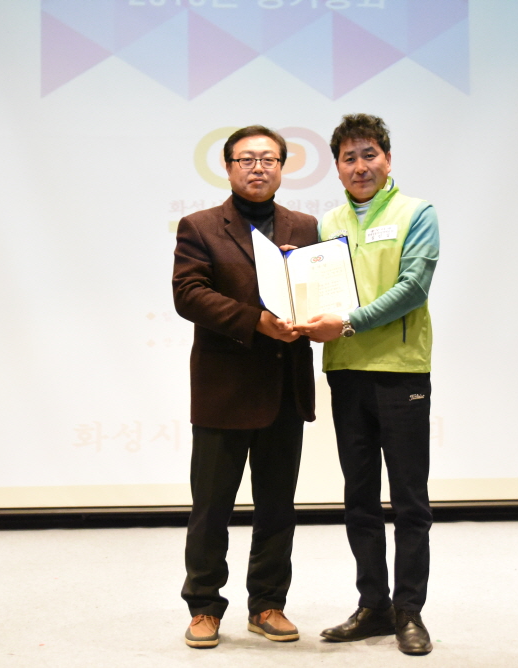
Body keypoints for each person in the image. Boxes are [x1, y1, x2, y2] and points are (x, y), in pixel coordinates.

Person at [296, 114, 440, 656]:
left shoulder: (417, 213)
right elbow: (311, 290)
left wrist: (350, 322)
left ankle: (409, 611)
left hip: (401, 371)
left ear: (388, 159)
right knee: (359, 498)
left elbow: (413, 287)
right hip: (346, 372)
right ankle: (373, 606)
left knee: (409, 499)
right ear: (336, 167)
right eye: (349, 158)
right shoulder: (328, 223)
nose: (360, 166)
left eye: (369, 154)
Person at [172, 125, 318, 649]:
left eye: (269, 159)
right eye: (247, 159)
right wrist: (256, 320)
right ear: (228, 166)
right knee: (211, 508)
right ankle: (204, 606)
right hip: (224, 390)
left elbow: (319, 291)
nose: (259, 168)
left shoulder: (306, 226)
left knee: (278, 507)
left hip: (284, 388)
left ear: (282, 166)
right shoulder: (200, 226)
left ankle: (268, 604)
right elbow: (189, 294)